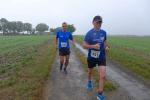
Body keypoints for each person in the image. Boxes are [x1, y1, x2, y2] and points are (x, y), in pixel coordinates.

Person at [83, 15, 110, 100]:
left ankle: (99, 94)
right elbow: (84, 45)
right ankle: (89, 81)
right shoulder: (89, 33)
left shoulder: (104, 33)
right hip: (92, 57)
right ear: (93, 22)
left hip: (101, 57)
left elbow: (105, 43)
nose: (99, 24)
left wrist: (106, 47)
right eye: (97, 22)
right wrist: (93, 46)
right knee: (90, 72)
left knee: (103, 76)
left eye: (100, 22)